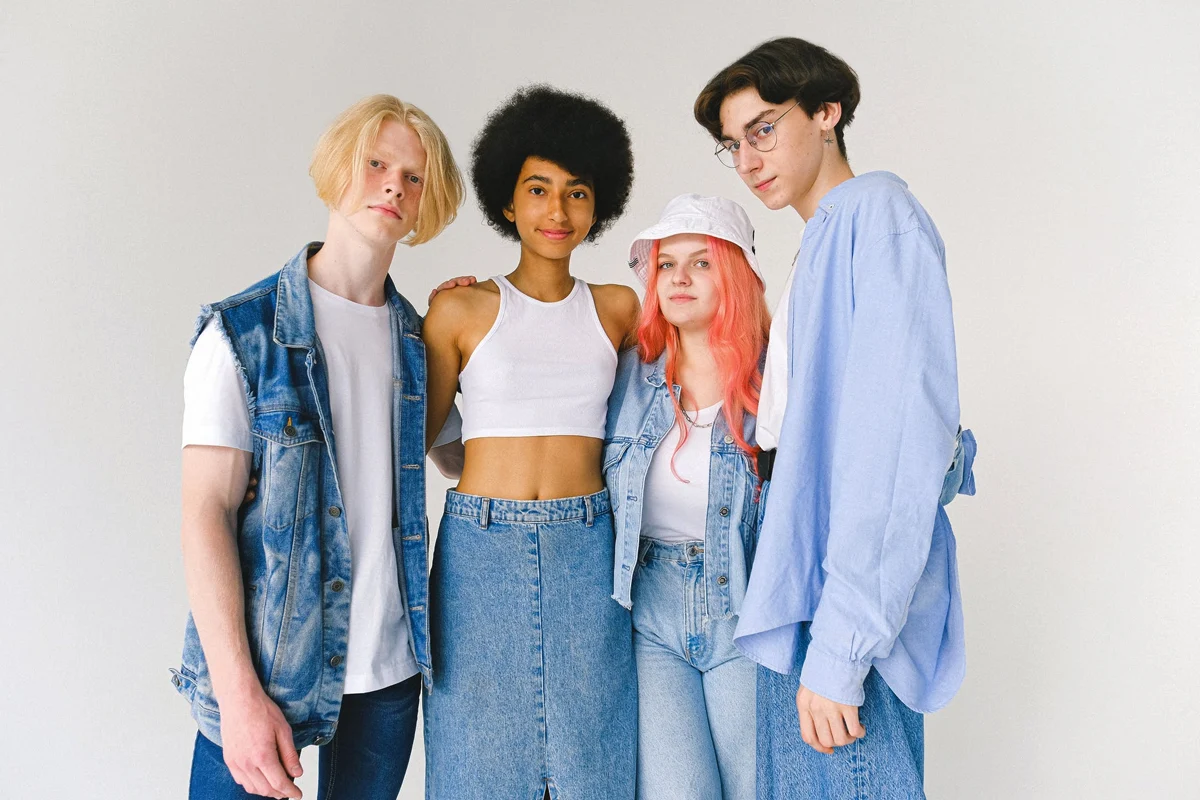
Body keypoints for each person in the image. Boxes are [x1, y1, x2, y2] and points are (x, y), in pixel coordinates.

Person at [693, 37, 978, 798]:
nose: (749, 159)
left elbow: (893, 446)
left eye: (763, 128)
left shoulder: (877, 215)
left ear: (827, 112)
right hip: (806, 567)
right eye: (733, 144)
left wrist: (843, 648)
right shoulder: (823, 239)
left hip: (842, 588)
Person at [174, 94, 465, 800]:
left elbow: (462, 461)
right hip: (272, 672)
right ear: (339, 171)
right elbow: (203, 514)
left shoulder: (419, 342)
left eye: (414, 177)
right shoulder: (241, 336)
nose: (394, 185)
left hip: (388, 677)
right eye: (376, 164)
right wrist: (238, 696)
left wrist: (483, 335)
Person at [421, 85, 641, 800]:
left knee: (596, 762)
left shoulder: (618, 308)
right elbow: (420, 438)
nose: (557, 210)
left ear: (598, 206)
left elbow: (656, 418)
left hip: (590, 548)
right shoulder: (459, 309)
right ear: (507, 202)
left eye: (577, 193)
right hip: (479, 551)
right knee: (476, 765)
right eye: (538, 189)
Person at [603, 194, 770, 799]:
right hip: (649, 611)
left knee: (759, 789)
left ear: (734, 275)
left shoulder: (776, 380)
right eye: (666, 263)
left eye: (701, 262)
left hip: (746, 612)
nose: (678, 277)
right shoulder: (625, 374)